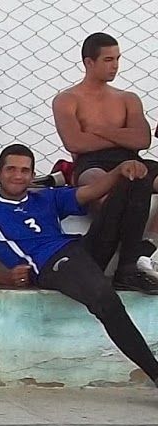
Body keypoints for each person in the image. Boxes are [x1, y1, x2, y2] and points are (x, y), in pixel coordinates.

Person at [0, 147, 158, 377]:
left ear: (32, 176)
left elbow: (91, 192)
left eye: (24, 171)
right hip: (49, 264)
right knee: (105, 300)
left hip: (79, 251)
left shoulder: (45, 197)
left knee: (133, 180)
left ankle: (128, 269)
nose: (18, 176)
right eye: (11, 169)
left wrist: (121, 169)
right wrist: (5, 278)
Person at [52, 33, 158, 284]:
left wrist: (98, 130)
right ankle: (120, 265)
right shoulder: (68, 99)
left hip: (133, 159)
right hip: (93, 163)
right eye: (108, 60)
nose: (115, 66)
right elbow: (75, 143)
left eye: (118, 58)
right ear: (89, 62)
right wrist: (123, 136)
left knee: (136, 177)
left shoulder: (127, 98)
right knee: (108, 189)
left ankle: (147, 249)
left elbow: (142, 139)